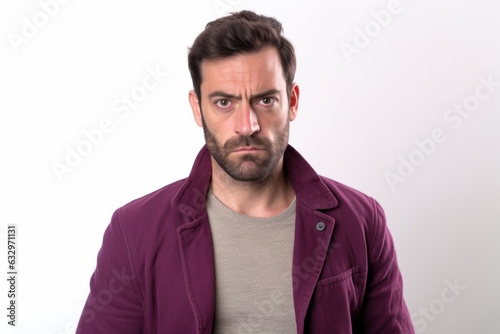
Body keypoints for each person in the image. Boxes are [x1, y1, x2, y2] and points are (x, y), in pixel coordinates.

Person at [76, 10, 414, 334]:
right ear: (198, 108)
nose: (247, 126)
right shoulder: (135, 230)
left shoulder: (362, 221)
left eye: (265, 101)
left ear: (292, 102)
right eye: (224, 102)